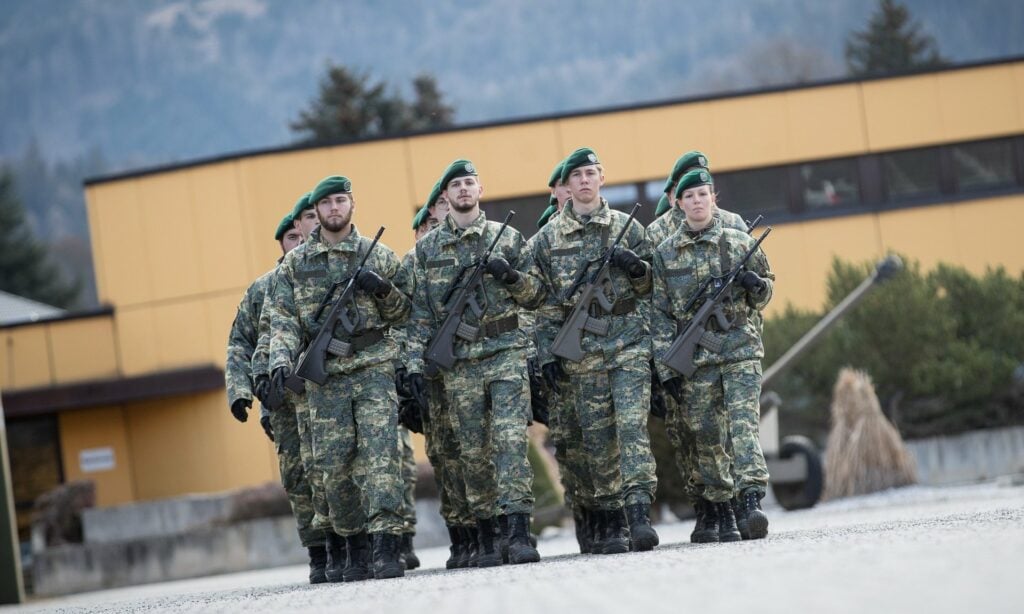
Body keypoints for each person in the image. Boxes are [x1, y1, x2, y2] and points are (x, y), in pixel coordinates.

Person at [266, 175, 410, 581]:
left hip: (372, 368)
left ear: (352, 205)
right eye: (326, 203)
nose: (333, 209)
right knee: (335, 466)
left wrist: (383, 291)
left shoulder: (377, 255)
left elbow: (406, 313)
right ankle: (353, 545)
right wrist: (280, 363)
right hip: (324, 378)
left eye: (340, 201)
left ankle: (386, 545)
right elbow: (282, 321)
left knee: (381, 456)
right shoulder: (296, 265)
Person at [405, 159, 545, 567]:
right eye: (456, 185)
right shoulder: (426, 252)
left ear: (480, 190)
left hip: (505, 356)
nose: (464, 190)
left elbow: (536, 295)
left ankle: (519, 532)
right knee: (472, 452)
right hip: (459, 367)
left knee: (509, 443)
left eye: (470, 183)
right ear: (444, 197)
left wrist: (511, 277)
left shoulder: (508, 239)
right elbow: (418, 315)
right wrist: (414, 365)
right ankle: (487, 535)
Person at [530, 147, 659, 554]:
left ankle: (639, 515)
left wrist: (636, 268)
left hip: (628, 345)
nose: (584, 181)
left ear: (602, 178)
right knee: (598, 441)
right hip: (581, 357)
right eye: (577, 176)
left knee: (632, 430)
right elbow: (542, 303)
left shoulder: (628, 228)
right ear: (565, 187)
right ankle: (609, 519)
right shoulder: (547, 240)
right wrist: (548, 355)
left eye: (591, 173)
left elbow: (654, 288)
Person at [651, 168, 773, 543]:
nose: (698, 201)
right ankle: (721, 507)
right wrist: (664, 368)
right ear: (679, 203)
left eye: (704, 194)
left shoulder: (739, 243)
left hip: (739, 350)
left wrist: (756, 287)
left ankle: (750, 501)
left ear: (713, 197)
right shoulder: (666, 253)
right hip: (696, 361)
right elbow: (658, 313)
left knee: (742, 426)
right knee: (705, 435)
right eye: (690, 196)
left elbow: (766, 291)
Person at [224, 204, 326, 584]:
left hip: (326, 388)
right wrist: (241, 392)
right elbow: (239, 343)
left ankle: (350, 545)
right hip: (281, 398)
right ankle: (318, 551)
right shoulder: (263, 288)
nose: (299, 243)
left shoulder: (325, 273)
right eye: (292, 238)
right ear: (283, 242)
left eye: (305, 235)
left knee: (334, 469)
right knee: (299, 477)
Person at [399, 181, 478, 569]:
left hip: (472, 363)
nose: (437, 225)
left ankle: (496, 529)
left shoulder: (475, 247)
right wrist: (408, 378)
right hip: (432, 372)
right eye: (429, 223)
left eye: (440, 217)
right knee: (448, 457)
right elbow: (404, 324)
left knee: (483, 449)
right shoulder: (414, 264)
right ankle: (463, 534)